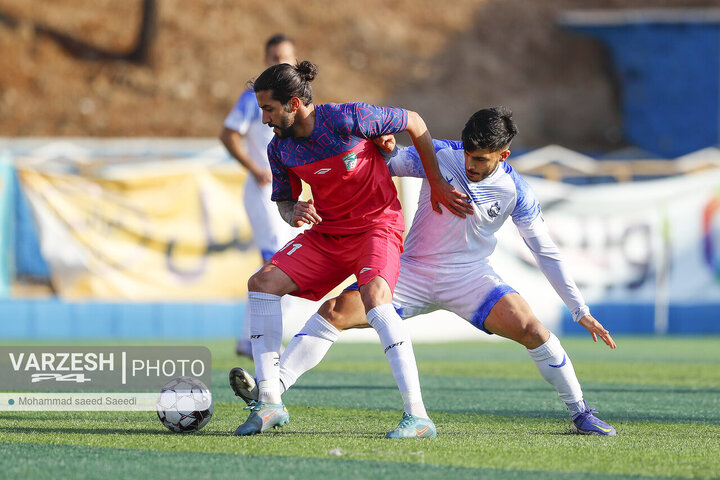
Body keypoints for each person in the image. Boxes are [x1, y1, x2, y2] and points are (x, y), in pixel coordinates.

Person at [230, 107, 618, 436]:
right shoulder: (442, 155)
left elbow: (545, 252)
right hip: (411, 272)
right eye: (468, 152)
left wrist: (579, 309)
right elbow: (383, 161)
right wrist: (382, 146)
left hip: (470, 278)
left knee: (532, 329)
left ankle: (581, 411)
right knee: (334, 313)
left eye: (481, 158)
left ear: (504, 155)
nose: (470, 163)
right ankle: (273, 391)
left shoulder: (518, 193)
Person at [233, 60, 472, 438]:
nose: (264, 119)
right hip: (329, 235)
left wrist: (436, 181)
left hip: (377, 227)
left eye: (269, 109)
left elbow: (415, 120)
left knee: (377, 299)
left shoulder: (349, 117)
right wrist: (291, 210)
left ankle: (418, 416)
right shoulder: (280, 149)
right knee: (262, 283)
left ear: (294, 103)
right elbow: (283, 201)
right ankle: (269, 401)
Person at [219, 34, 300, 357]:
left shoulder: (297, 102)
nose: (278, 62)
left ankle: (247, 337)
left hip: (287, 193)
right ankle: (263, 338)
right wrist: (254, 167)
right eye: (272, 57)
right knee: (275, 263)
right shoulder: (256, 98)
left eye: (284, 57)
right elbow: (227, 134)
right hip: (263, 190)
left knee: (285, 262)